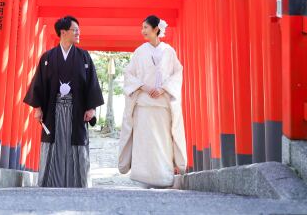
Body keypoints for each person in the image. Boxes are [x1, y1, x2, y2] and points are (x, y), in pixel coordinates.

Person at [24, 15, 104, 187]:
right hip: (54, 110)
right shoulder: (48, 57)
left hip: (77, 110)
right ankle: (51, 182)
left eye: (78, 30)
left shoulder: (84, 57)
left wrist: (91, 108)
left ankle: (78, 182)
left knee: (76, 143)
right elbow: (39, 83)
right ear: (63, 32)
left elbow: (92, 83)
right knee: (54, 144)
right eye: (75, 30)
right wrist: (38, 108)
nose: (78, 33)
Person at [118, 15, 187, 188]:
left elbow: (177, 73)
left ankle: (164, 175)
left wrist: (164, 88)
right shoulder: (140, 51)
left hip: (162, 104)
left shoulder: (169, 51)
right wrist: (144, 86)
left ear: (156, 29)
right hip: (144, 104)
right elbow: (129, 74)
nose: (143, 31)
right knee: (144, 140)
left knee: (163, 140)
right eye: (142, 28)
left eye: (145, 27)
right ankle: (143, 175)